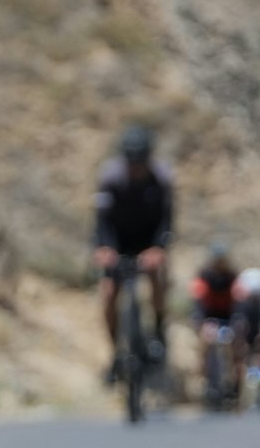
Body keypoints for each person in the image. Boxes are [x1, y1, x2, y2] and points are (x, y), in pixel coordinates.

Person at [91, 126, 176, 391]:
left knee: (157, 277)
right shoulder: (111, 178)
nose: (135, 167)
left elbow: (167, 219)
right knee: (108, 294)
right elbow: (101, 220)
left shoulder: (161, 179)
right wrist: (103, 248)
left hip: (149, 241)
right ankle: (116, 351)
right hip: (118, 242)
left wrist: (159, 248)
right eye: (131, 161)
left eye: (140, 161)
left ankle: (159, 330)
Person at [188, 247, 247, 407]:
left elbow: (239, 302)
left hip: (229, 318)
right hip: (209, 319)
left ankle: (235, 382)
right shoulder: (204, 277)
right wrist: (201, 322)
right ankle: (203, 377)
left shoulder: (233, 278)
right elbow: (198, 304)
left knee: (237, 345)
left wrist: (238, 322)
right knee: (206, 340)